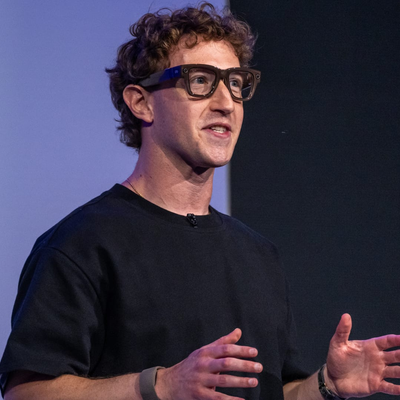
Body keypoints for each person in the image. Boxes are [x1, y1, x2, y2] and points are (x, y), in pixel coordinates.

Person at [1, 3, 400, 400]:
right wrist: (160, 386)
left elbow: (276, 392)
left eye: (235, 83)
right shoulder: (81, 244)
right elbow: (27, 393)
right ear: (141, 102)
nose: (226, 102)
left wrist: (326, 385)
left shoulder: (258, 255)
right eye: (200, 81)